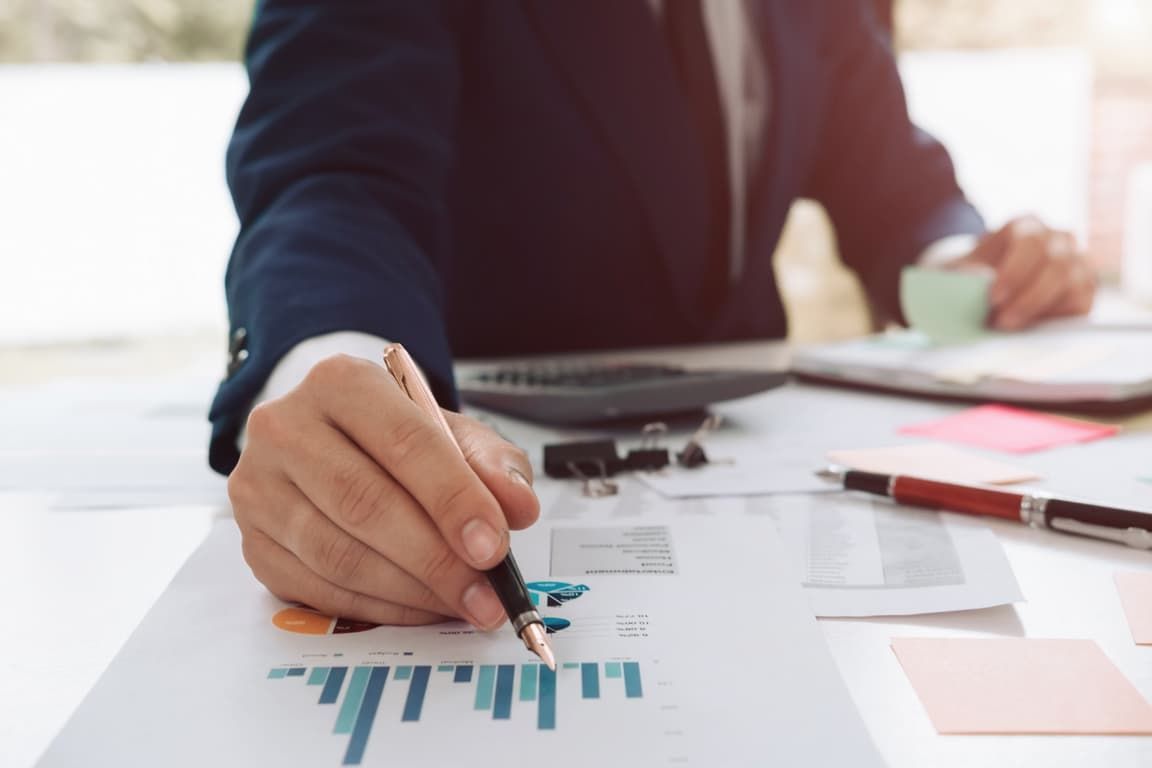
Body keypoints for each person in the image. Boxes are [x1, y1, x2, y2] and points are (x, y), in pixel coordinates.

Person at [214, 2, 1096, 633]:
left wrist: (969, 267)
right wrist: (341, 366)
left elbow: (891, 177)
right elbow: (332, 173)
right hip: (490, 458)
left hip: (757, 471)